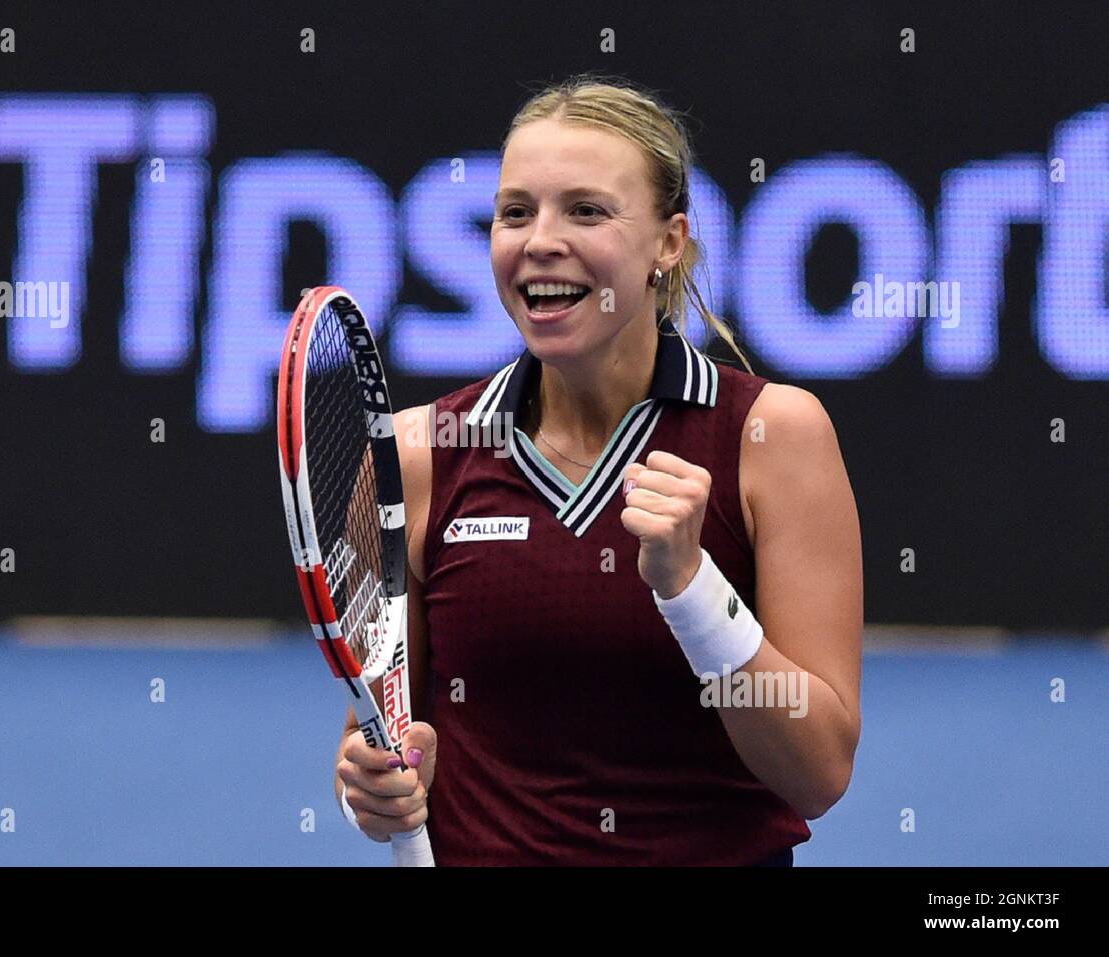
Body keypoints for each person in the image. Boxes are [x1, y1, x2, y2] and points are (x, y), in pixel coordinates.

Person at [333, 74, 863, 865]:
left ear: (668, 241)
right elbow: (376, 741)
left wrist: (693, 589)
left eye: (586, 210)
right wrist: (368, 788)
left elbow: (818, 769)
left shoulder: (773, 436)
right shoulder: (417, 456)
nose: (539, 238)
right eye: (516, 212)